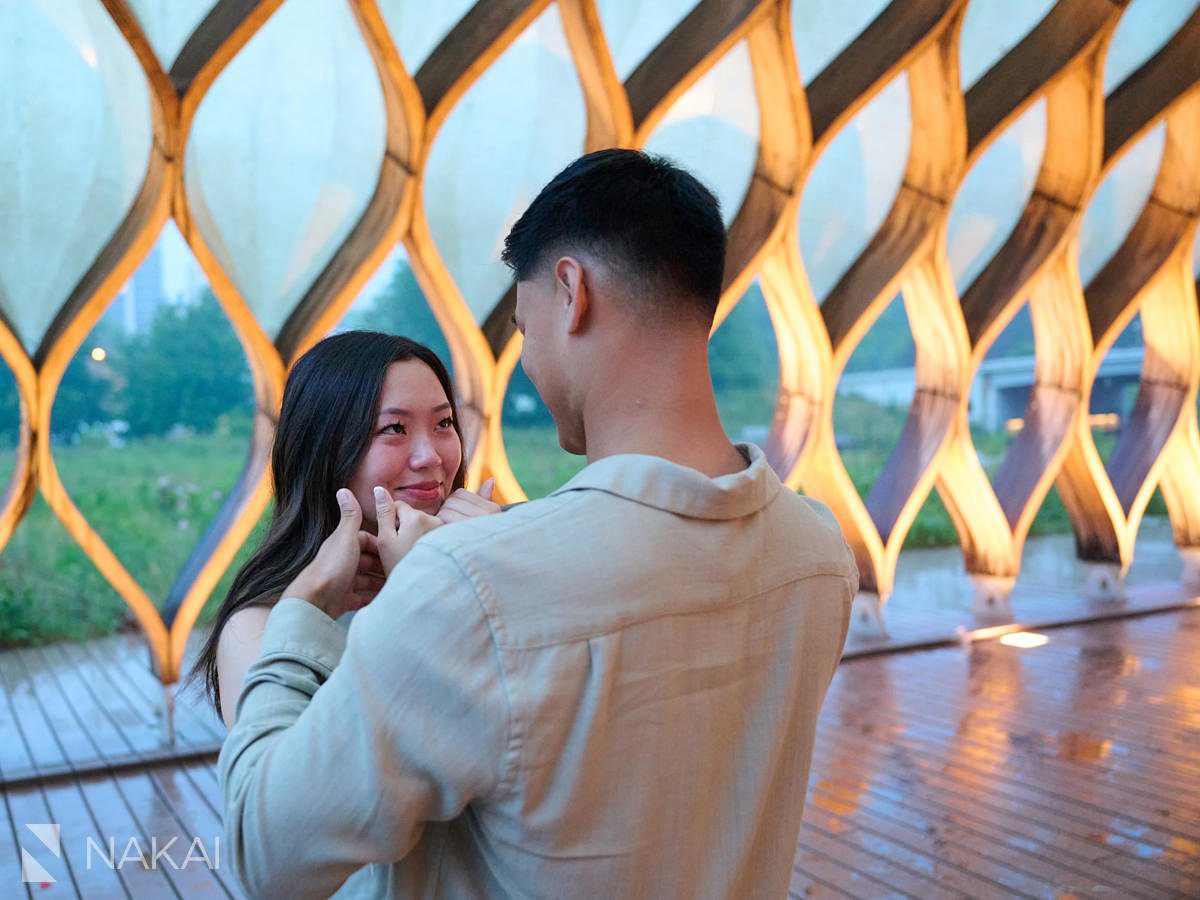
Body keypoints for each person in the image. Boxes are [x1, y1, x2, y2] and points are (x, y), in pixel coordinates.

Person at [219, 149, 858, 898]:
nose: (526, 361)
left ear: (570, 292)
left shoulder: (470, 586)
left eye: (523, 328)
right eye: (393, 430)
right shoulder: (819, 555)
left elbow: (265, 855)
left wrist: (314, 607)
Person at [191, 330, 499, 729]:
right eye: (394, 429)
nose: (430, 456)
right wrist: (422, 589)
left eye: (443, 422)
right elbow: (317, 783)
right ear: (324, 447)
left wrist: (500, 575)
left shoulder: (489, 555)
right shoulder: (259, 627)